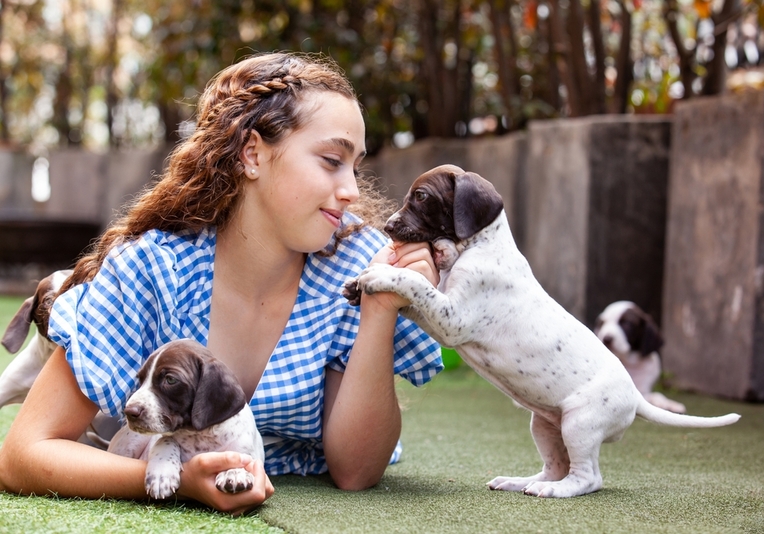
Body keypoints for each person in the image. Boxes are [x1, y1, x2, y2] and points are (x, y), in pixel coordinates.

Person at [0, 52, 442, 515]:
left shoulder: (356, 270)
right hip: (146, 457)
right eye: (332, 160)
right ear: (252, 154)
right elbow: (23, 454)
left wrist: (380, 306)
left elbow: (356, 472)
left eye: (356, 166)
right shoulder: (154, 270)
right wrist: (174, 480)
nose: (351, 187)